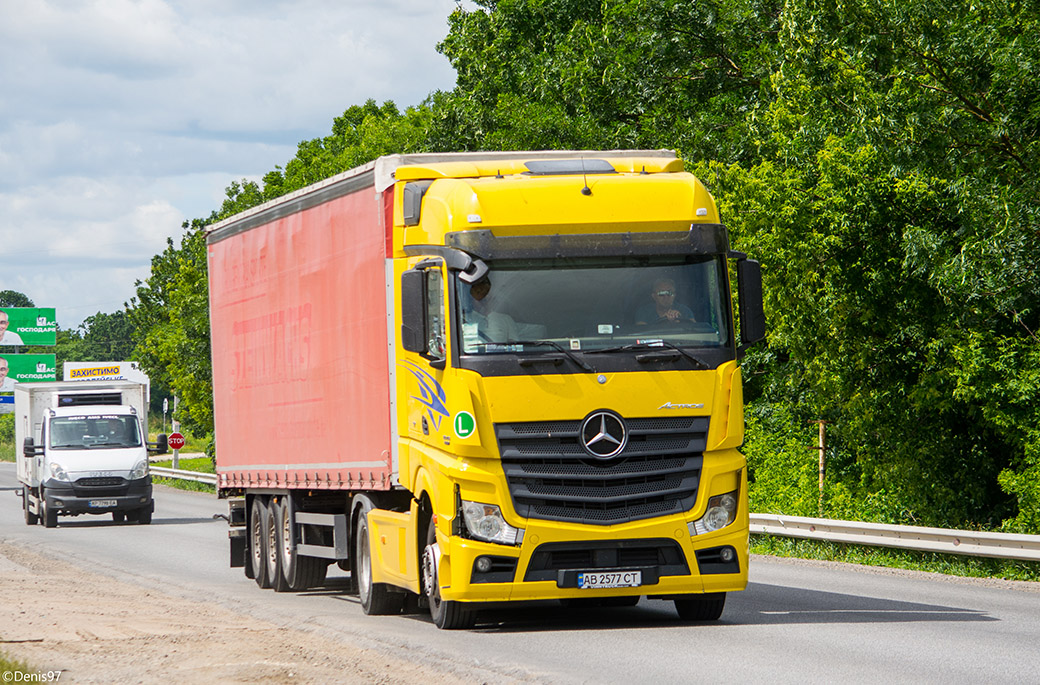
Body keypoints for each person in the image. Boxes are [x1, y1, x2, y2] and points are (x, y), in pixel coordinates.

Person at [463, 277, 520, 343]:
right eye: (478, 293)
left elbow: (514, 346)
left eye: (486, 293)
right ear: (471, 297)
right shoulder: (464, 319)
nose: (483, 298)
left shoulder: (506, 319)